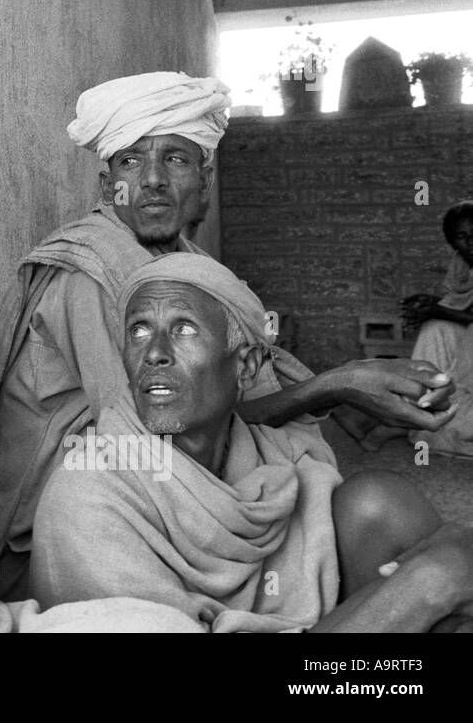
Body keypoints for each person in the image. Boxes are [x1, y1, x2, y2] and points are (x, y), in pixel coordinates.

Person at [0, 72, 459, 597]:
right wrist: (339, 384)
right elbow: (159, 432)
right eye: (130, 161)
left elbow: (239, 391)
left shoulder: (185, 262)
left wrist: (353, 393)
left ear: (203, 181)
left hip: (175, 494)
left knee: (372, 511)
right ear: (105, 185)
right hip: (72, 536)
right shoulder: (85, 274)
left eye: (175, 160)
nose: (152, 179)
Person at [27, 254, 473, 632]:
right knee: (442, 572)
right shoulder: (85, 496)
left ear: (245, 368)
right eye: (139, 331)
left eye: (183, 329)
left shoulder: (272, 459)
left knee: (379, 501)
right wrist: (426, 584)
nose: (155, 352)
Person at [403, 200, 473, 457]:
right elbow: (452, 303)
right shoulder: (461, 265)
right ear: (454, 243)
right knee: (435, 329)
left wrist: (439, 309)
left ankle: (444, 419)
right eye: (463, 237)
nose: (471, 242)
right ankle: (424, 403)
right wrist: (428, 308)